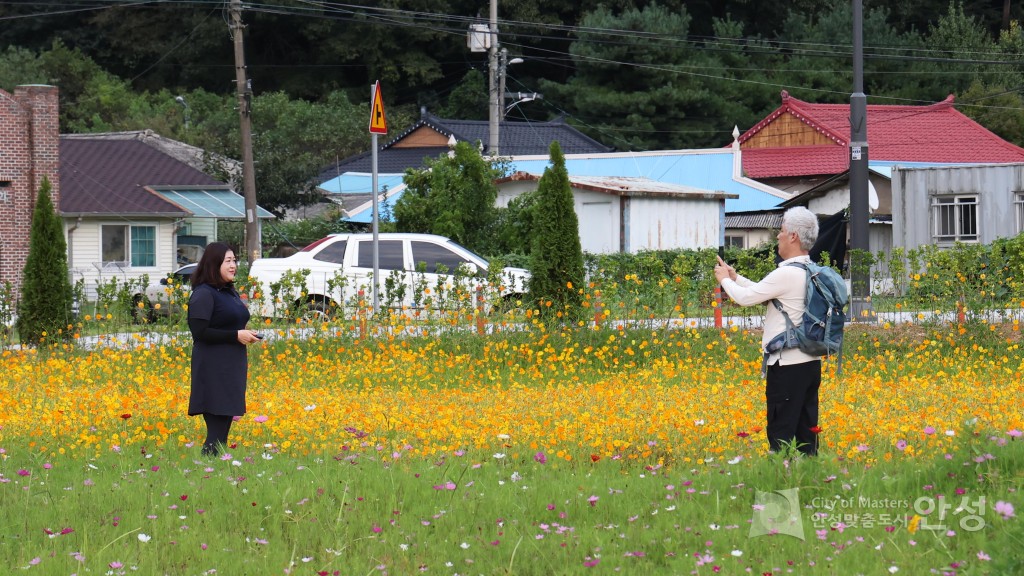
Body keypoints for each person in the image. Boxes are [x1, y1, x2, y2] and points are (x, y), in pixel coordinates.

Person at [713, 206, 821, 456]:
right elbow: (763, 292)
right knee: (807, 435)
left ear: (793, 236)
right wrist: (736, 278)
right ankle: (812, 474)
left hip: (787, 366)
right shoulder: (811, 270)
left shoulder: (786, 273)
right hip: (810, 363)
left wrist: (723, 280)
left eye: (781, 231)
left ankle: (779, 478)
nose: (778, 236)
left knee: (780, 434)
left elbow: (746, 298)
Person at [187, 242, 262, 456]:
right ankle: (207, 466)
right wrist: (235, 335)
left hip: (231, 365)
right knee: (216, 430)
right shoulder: (204, 294)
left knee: (223, 429)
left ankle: (215, 466)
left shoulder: (228, 292)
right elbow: (199, 332)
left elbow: (228, 324)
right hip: (213, 367)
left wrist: (244, 333)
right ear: (214, 264)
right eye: (228, 261)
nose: (233, 265)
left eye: (234, 261)